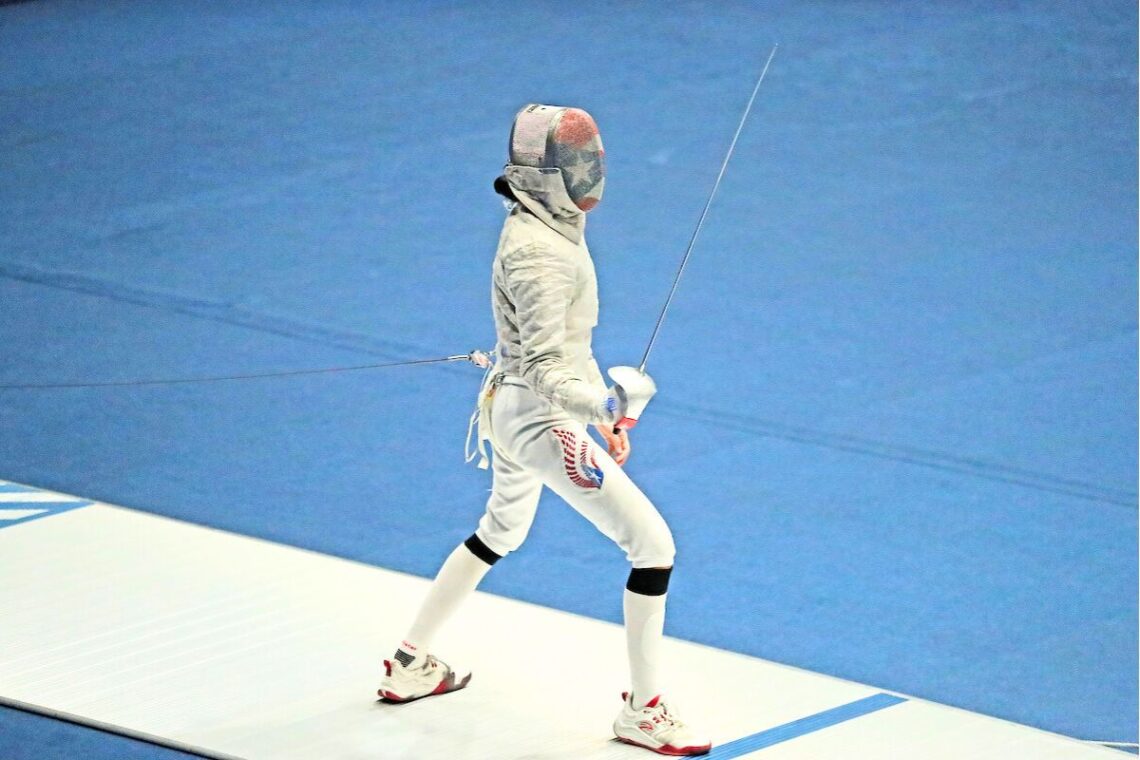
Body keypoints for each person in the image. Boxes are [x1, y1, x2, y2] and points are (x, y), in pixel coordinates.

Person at [378, 103, 711, 757]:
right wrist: (602, 409)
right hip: (537, 417)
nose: (591, 172)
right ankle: (643, 711)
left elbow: (559, 346)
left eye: (593, 159)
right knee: (653, 546)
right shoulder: (539, 255)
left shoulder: (542, 225)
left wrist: (600, 414)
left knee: (500, 531)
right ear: (545, 176)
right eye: (577, 162)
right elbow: (547, 366)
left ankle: (409, 662)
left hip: (511, 408)